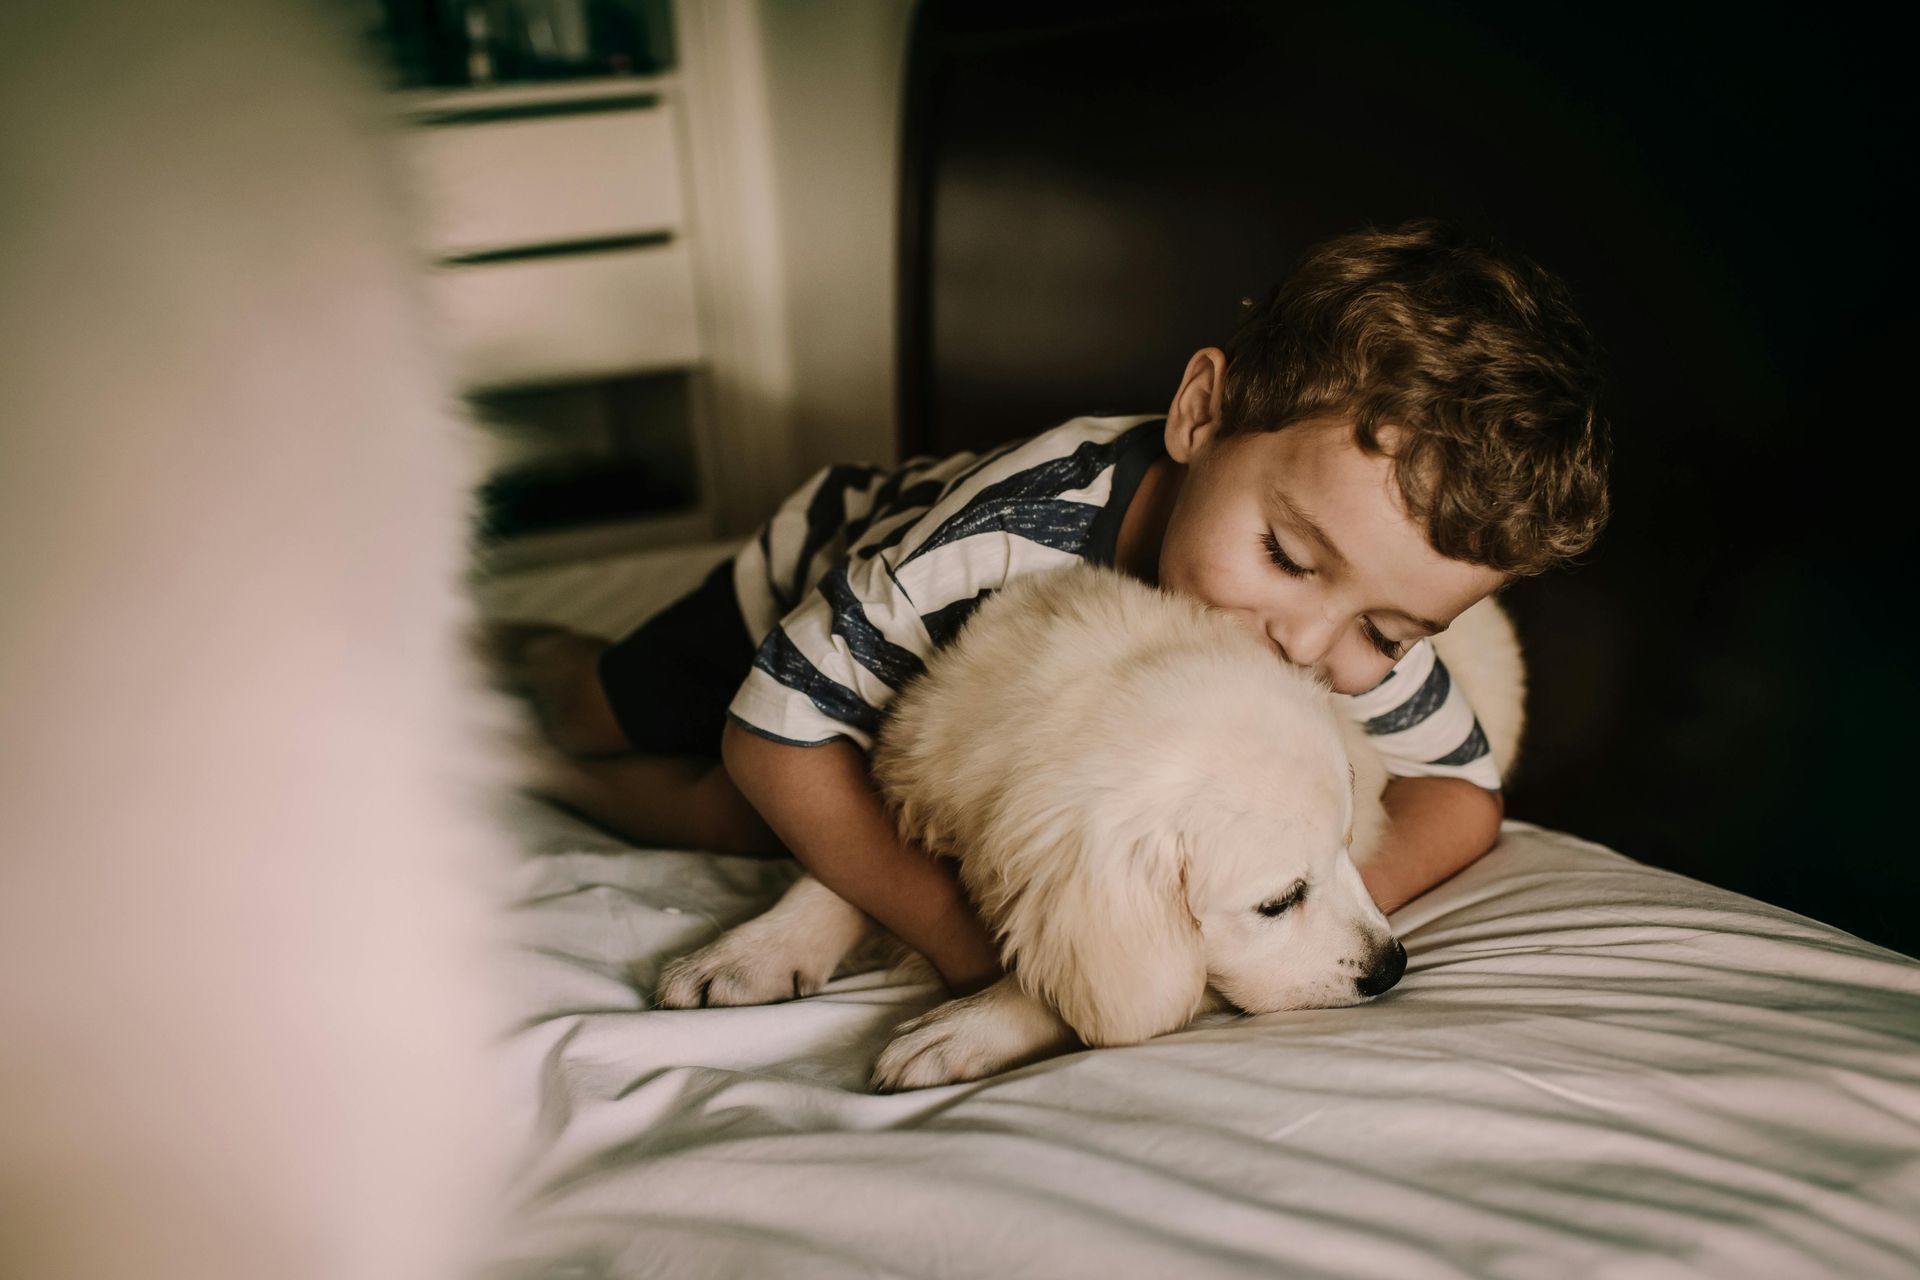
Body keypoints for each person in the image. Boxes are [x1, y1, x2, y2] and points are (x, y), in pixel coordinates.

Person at [489, 218, 1611, 1001]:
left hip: (966, 717)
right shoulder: (1007, 535)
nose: (1304, 645)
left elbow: (1464, 798)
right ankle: (534, 660)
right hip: (825, 569)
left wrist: (1317, 889)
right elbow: (772, 736)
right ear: (1202, 413)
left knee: (725, 820)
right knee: (648, 737)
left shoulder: (1339, 605)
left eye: (1386, 634)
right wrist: (969, 947)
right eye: (1283, 554)